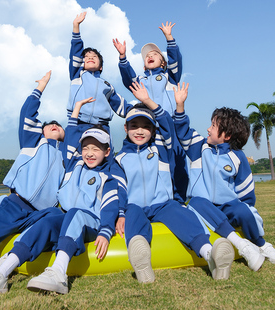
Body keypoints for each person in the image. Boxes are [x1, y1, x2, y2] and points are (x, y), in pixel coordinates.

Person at [114, 82, 235, 283]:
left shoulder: (161, 148)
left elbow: (168, 125)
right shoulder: (119, 159)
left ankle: (209, 254)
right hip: (135, 206)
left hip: (162, 204)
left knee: (180, 212)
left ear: (153, 131)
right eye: (134, 126)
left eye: (146, 127)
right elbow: (119, 190)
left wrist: (147, 101)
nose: (140, 131)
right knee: (133, 214)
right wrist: (120, 214)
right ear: (125, 128)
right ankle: (142, 263)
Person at [0, 71, 66, 297]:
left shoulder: (66, 156)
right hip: (16, 204)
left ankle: (10, 261)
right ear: (41, 130)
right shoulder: (33, 141)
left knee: (53, 218)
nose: (54, 126)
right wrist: (39, 88)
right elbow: (27, 114)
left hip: (40, 213)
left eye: (59, 127)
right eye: (49, 125)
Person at [172, 82, 275, 270]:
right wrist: (180, 105)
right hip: (204, 207)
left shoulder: (238, 157)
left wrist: (247, 211)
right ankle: (243, 246)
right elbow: (182, 130)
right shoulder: (199, 147)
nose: (208, 129)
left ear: (226, 135)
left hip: (227, 207)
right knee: (196, 201)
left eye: (213, 125)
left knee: (243, 210)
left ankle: (261, 245)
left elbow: (246, 193)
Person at [26, 98, 120, 295]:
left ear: (107, 151)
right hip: (64, 218)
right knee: (48, 218)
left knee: (76, 213)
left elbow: (112, 203)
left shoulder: (110, 173)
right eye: (86, 148)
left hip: (87, 221)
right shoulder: (73, 163)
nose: (90, 152)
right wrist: (76, 109)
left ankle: (59, 272)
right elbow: (72, 137)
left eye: (96, 148)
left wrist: (107, 229)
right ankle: (2, 269)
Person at [113, 22, 188, 203]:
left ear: (163, 62)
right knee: (158, 165)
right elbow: (128, 77)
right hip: (148, 126)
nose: (150, 56)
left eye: (155, 54)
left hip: (168, 124)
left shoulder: (170, 77)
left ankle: (178, 200)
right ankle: (153, 199)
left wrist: (169, 39)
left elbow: (176, 61)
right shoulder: (141, 80)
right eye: (147, 56)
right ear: (145, 66)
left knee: (177, 162)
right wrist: (123, 57)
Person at [67, 11, 129, 147]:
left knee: (105, 160)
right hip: (78, 123)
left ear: (101, 66)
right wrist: (76, 26)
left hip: (102, 127)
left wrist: (142, 109)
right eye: (86, 57)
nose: (89, 57)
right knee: (74, 158)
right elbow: (76, 53)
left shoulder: (107, 85)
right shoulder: (77, 75)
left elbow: (121, 106)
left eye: (94, 56)